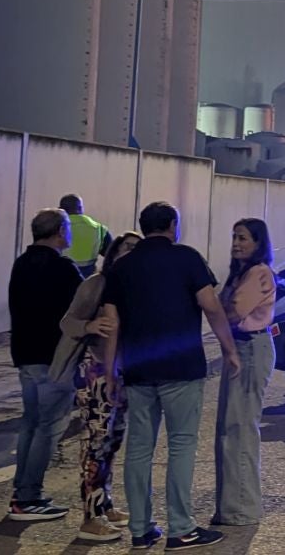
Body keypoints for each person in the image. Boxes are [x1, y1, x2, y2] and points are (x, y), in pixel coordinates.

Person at [99, 202, 239, 550]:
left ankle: (141, 529)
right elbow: (210, 305)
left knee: (138, 449)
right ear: (172, 225)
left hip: (138, 369)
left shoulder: (121, 268)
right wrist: (229, 349)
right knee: (181, 445)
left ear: (143, 227)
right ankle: (181, 528)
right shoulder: (187, 258)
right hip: (181, 367)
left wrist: (111, 370)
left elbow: (112, 322)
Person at [51, 232, 139, 544]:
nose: (131, 253)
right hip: (96, 374)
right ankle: (90, 517)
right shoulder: (96, 284)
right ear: (113, 253)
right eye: (126, 247)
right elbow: (67, 321)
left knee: (113, 441)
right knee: (95, 442)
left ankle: (106, 504)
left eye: (137, 249)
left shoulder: (133, 287)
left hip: (123, 373)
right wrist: (89, 326)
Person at [7, 209, 84, 522]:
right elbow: (82, 307)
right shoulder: (63, 268)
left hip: (25, 355)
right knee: (48, 428)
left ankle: (21, 493)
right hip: (54, 358)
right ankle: (29, 497)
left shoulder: (21, 264)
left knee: (31, 424)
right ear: (60, 231)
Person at [212, 219, 276, 528]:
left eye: (244, 238)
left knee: (239, 429)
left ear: (258, 243)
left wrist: (209, 304)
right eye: (234, 237)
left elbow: (232, 312)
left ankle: (241, 509)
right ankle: (229, 507)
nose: (236, 243)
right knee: (228, 427)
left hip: (250, 350)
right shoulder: (242, 273)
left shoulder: (258, 272)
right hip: (239, 347)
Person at [60, 195, 112, 278]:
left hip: (60, 280)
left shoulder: (54, 228)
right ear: (80, 208)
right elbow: (112, 256)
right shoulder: (99, 229)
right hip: (88, 282)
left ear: (61, 209)